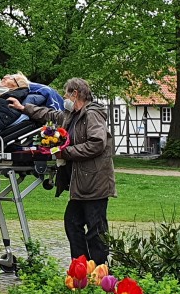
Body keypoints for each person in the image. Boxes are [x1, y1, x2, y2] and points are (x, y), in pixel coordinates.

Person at [7, 77, 116, 265]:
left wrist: (64, 152)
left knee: (95, 230)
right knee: (72, 224)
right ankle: (81, 265)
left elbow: (97, 143)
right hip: (81, 184)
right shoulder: (71, 114)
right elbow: (50, 115)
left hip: (94, 183)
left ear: (75, 94)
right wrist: (23, 108)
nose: (64, 97)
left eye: (66, 93)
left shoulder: (92, 114)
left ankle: (99, 271)